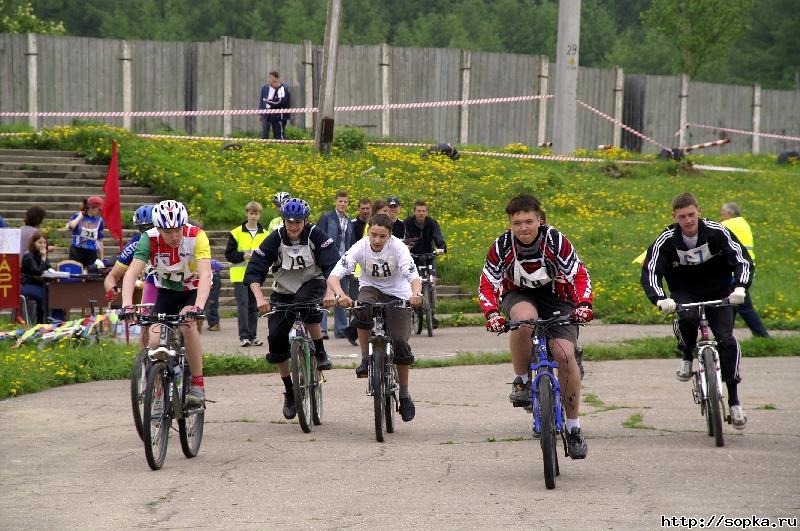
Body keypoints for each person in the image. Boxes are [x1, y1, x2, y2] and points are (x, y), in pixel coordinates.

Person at [478, 194, 593, 459]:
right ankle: (521, 381)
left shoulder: (555, 240)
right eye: (517, 223)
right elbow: (487, 282)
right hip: (519, 296)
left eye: (529, 221)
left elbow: (578, 273)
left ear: (539, 220)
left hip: (557, 297)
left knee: (564, 355)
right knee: (522, 320)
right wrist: (492, 313)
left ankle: (574, 429)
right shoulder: (502, 246)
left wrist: (583, 305)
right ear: (509, 224)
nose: (523, 228)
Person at [640, 192, 752, 429]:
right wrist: (660, 298)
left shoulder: (717, 232)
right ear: (675, 217)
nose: (688, 221)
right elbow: (651, 271)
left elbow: (741, 259)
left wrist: (741, 286)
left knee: (727, 341)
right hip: (685, 293)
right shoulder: (666, 239)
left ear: (699, 211)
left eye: (691, 214)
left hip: (719, 292)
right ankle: (687, 355)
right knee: (687, 320)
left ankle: (734, 401)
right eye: (682, 217)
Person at [244, 198, 339, 419]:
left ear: (306, 220)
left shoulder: (317, 235)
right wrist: (260, 298)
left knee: (306, 306)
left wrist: (330, 293)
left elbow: (332, 265)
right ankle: (289, 390)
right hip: (283, 291)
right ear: (284, 221)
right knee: (276, 338)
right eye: (289, 222)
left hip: (312, 283)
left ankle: (320, 351)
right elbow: (255, 270)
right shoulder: (275, 238)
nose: (294, 226)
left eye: (298, 222)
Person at [325, 213, 423, 422]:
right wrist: (341, 295)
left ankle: (404, 395)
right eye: (373, 235)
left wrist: (415, 295)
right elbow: (334, 275)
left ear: (390, 236)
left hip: (398, 293)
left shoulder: (399, 248)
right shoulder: (360, 246)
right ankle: (365, 358)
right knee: (361, 307)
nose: (377, 240)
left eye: (382, 236)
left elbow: (413, 276)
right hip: (371, 288)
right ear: (368, 232)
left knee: (400, 343)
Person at [121, 200, 212, 409]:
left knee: (188, 326)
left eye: (178, 230)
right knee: (153, 343)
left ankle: (197, 384)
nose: (174, 236)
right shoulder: (148, 239)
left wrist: (198, 307)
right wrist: (127, 305)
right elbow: (131, 273)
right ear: (158, 228)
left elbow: (206, 273)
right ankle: (160, 390)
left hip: (193, 290)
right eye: (168, 231)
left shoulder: (197, 236)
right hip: (167, 291)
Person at [720, 202, 770, 338]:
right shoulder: (744, 224)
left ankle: (763, 336)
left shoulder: (727, 225)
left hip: (733, 273)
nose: (721, 216)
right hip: (746, 270)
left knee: (744, 307)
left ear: (728, 214)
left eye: (722, 214)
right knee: (731, 305)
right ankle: (725, 337)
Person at [225, 201, 269, 347]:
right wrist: (243, 256)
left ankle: (253, 335)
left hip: (256, 275)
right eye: (251, 213)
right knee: (243, 305)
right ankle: (244, 336)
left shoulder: (265, 234)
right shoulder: (236, 232)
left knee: (253, 305)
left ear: (259, 215)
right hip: (240, 274)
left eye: (256, 213)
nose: (253, 216)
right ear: (247, 213)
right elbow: (229, 254)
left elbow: (268, 254)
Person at [318, 190, 356, 340]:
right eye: (340, 201)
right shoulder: (327, 218)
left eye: (345, 201)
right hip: (328, 261)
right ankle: (322, 329)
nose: (343, 204)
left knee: (342, 295)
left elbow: (351, 242)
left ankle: (341, 329)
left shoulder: (349, 220)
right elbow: (319, 238)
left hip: (343, 262)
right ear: (335, 202)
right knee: (325, 296)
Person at [20, 231, 51, 324]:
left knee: (55, 294)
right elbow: (38, 272)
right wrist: (43, 258)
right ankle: (40, 323)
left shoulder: (40, 255)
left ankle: (55, 320)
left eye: (44, 243)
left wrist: (44, 259)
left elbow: (49, 269)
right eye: (40, 242)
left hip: (39, 284)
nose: (42, 245)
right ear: (33, 243)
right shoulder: (28, 256)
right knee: (44, 295)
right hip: (28, 284)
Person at [65, 196, 104, 268]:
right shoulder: (77, 215)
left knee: (92, 274)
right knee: (76, 272)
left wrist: (101, 258)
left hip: (91, 250)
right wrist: (80, 217)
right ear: (92, 208)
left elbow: (100, 240)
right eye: (99, 209)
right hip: (76, 249)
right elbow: (70, 227)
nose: (99, 212)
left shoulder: (99, 220)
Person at [259, 71, 291, 140]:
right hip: (272, 116)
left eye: (270, 78)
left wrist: (269, 102)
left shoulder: (282, 89)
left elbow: (279, 102)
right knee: (273, 135)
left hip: (280, 116)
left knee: (280, 135)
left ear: (275, 80)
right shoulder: (266, 88)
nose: (268, 80)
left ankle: (282, 148)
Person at [206, 259, 223, 331]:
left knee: (212, 311)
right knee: (209, 311)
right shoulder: (211, 277)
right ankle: (212, 324)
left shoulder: (216, 278)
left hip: (213, 299)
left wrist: (213, 298)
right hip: (209, 297)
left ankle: (216, 324)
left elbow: (216, 290)